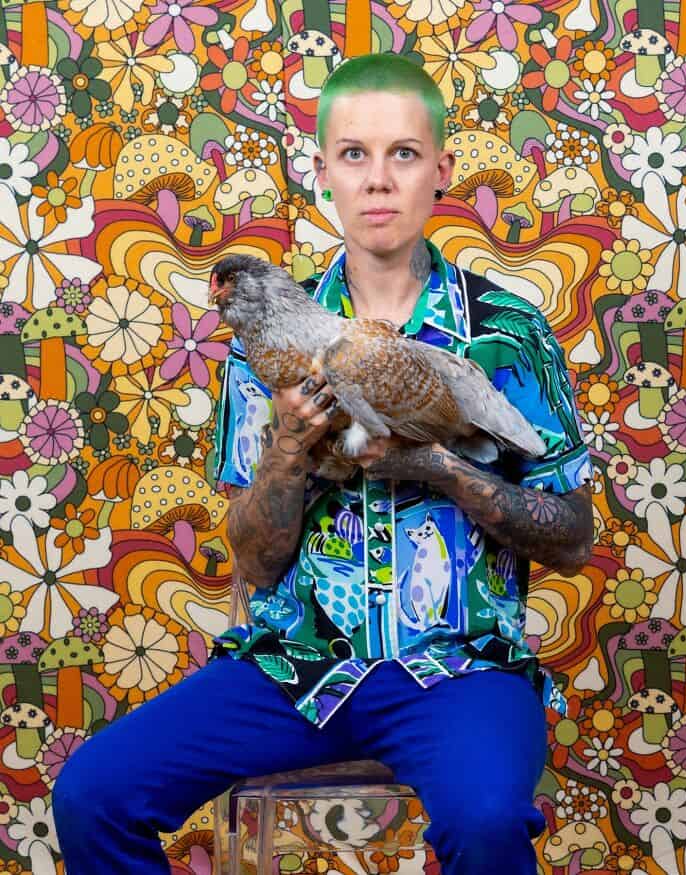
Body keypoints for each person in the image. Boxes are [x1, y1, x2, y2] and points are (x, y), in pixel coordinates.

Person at [54, 53, 593, 874]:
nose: (378, 179)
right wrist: (288, 449)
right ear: (323, 172)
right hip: (293, 666)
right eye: (354, 154)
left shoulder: (509, 333)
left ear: (442, 169)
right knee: (93, 793)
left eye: (403, 153)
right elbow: (256, 561)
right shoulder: (262, 345)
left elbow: (574, 539)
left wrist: (436, 468)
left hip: (459, 669)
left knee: (485, 819)